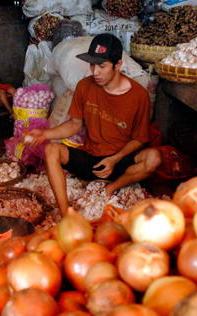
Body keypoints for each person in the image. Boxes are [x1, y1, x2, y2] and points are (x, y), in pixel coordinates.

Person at [25, 34, 162, 216]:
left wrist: (115, 159)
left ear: (118, 65)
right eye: (92, 65)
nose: (95, 71)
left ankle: (111, 188)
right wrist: (44, 135)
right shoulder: (84, 86)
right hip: (90, 159)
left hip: (120, 162)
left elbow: (140, 140)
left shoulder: (139, 96)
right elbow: (74, 125)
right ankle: (66, 214)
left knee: (154, 158)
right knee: (51, 150)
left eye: (102, 66)